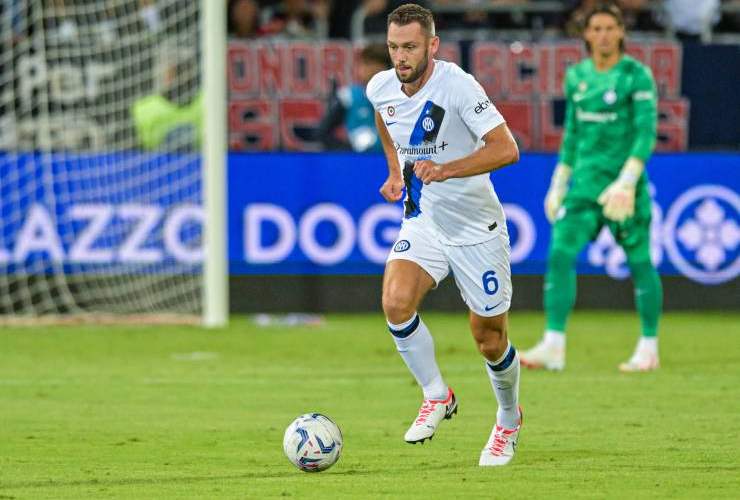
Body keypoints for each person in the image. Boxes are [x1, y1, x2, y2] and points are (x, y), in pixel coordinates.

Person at [366, 4, 522, 466]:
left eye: (410, 46)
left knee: (489, 339)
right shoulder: (380, 86)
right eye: (394, 47)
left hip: (476, 227)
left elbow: (506, 149)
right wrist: (396, 170)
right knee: (395, 301)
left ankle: (509, 420)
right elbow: (384, 116)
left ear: (432, 45)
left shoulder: (457, 85)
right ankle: (437, 395)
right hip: (425, 220)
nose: (401, 57)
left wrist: (447, 169)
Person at [520, 3, 662, 373]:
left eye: (609, 28)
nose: (602, 35)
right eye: (595, 28)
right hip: (583, 187)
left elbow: (646, 134)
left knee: (640, 260)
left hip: (622, 188)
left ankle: (649, 347)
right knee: (560, 253)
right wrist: (558, 182)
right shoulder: (577, 76)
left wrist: (628, 181)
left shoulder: (636, 75)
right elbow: (572, 134)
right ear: (585, 34)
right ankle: (553, 344)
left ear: (620, 32)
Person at [315, 43, 391, 152]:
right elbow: (322, 132)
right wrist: (348, 152)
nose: (364, 69)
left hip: (392, 162)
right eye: (363, 64)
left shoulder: (399, 98)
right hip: (359, 163)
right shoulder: (348, 96)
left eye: (370, 65)